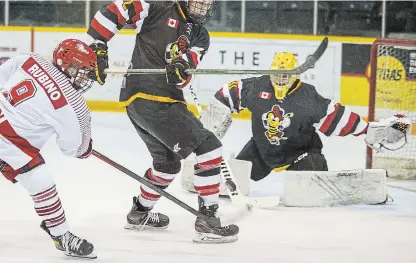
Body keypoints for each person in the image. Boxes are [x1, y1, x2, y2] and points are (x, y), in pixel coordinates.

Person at [86, 0, 238, 243]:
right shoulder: (156, 9)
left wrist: (181, 69)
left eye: (206, 5)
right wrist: (98, 45)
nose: (202, 9)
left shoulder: (201, 35)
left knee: (167, 165)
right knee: (209, 148)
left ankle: (140, 213)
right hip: (150, 98)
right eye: (198, 3)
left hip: (151, 103)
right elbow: (112, 12)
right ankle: (208, 219)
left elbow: (186, 70)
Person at [201, 52, 411, 182]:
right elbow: (227, 93)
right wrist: (209, 127)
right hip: (262, 148)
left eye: (286, 75)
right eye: (277, 74)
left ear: (295, 75)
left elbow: (337, 116)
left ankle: (317, 174)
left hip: (300, 153)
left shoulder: (307, 95)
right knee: (235, 181)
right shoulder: (257, 86)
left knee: (312, 177)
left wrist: (368, 129)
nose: (281, 79)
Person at [0, 39, 98, 258]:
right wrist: (86, 148)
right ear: (69, 66)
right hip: (11, 146)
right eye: (83, 71)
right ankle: (62, 236)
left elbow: (2, 74)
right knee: (41, 180)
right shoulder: (74, 103)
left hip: (7, 137)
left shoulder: (30, 59)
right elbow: (73, 149)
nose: (85, 77)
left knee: (38, 175)